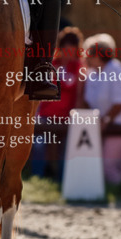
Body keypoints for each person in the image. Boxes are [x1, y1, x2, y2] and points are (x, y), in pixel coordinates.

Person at [77, 32, 121, 185]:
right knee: (116, 163)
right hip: (106, 125)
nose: (86, 58)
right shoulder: (92, 73)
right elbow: (86, 100)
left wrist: (105, 119)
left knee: (108, 165)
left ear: (98, 56)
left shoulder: (115, 69)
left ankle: (120, 194)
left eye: (89, 55)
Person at [30, 26, 83, 179]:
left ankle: (63, 179)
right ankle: (38, 177)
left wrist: (75, 117)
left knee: (65, 149)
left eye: (72, 52)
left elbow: (79, 95)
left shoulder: (79, 67)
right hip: (46, 114)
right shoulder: (52, 63)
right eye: (66, 51)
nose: (69, 56)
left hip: (67, 117)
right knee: (39, 145)